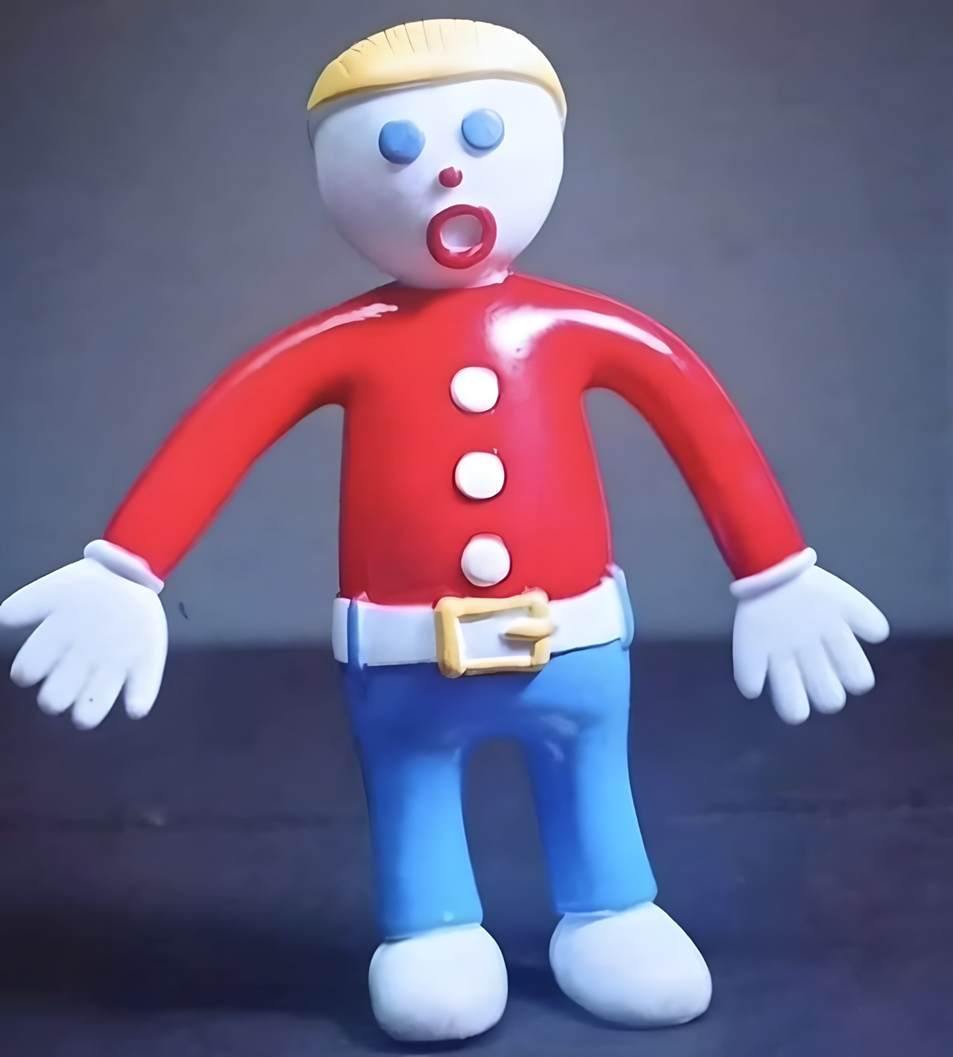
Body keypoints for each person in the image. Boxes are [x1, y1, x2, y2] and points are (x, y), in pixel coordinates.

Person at [0, 18, 889, 1043]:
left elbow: (695, 414)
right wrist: (126, 569)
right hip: (404, 654)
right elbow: (225, 427)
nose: (444, 175)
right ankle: (430, 930)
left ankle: (611, 912)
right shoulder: (339, 344)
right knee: (413, 788)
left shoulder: (579, 329)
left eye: (479, 135)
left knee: (590, 774)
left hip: (573, 638)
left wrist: (775, 574)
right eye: (396, 148)